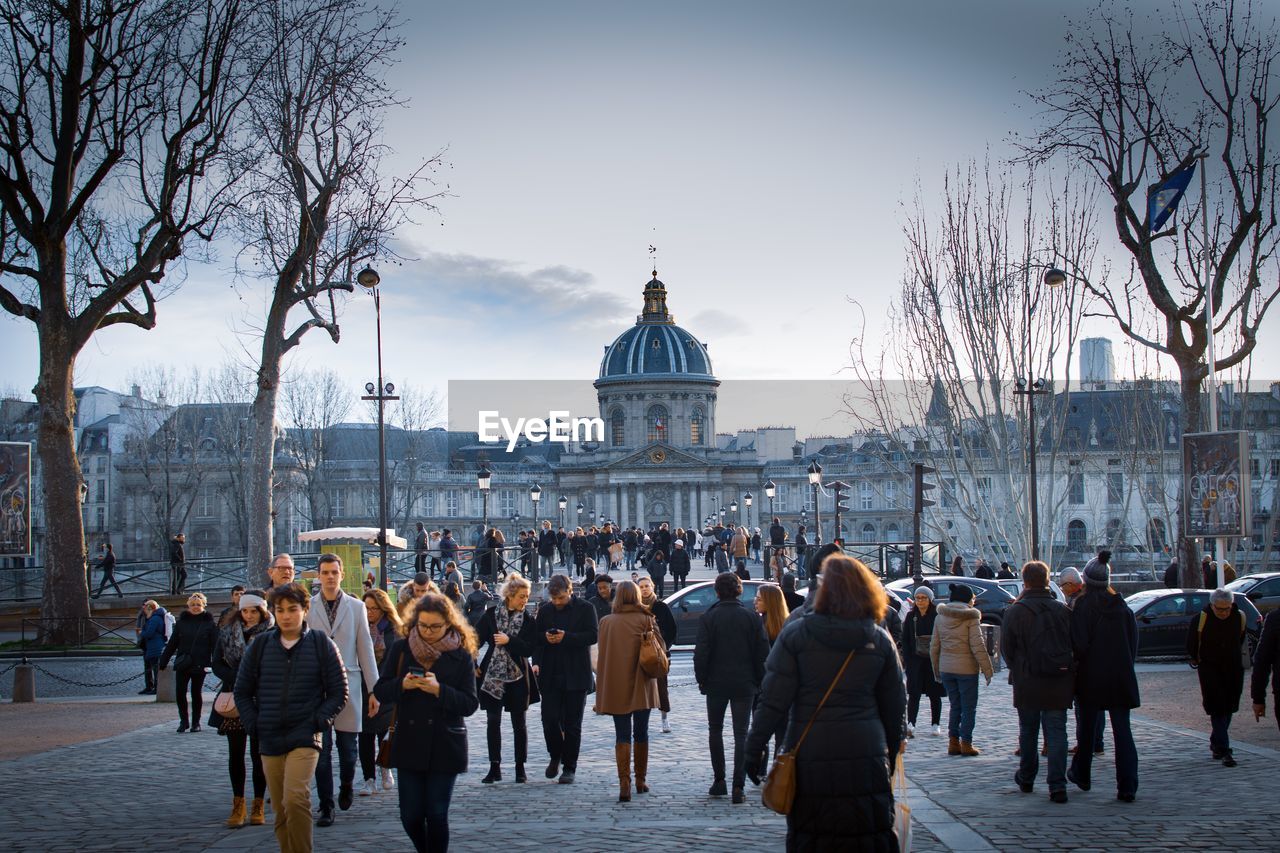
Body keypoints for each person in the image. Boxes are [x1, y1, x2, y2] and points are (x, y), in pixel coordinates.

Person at [744, 555, 906, 850]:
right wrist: (888, 755)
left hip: (810, 749)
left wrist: (754, 748)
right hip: (865, 750)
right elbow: (896, 711)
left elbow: (772, 701)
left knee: (813, 834)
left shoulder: (796, 634)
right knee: (868, 833)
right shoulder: (879, 639)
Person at [234, 583, 348, 853]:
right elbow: (242, 690)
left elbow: (339, 691)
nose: (286, 616)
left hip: (305, 733)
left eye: (293, 609)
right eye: (280, 610)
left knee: (296, 798)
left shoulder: (322, 644)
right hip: (270, 734)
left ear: (305, 610)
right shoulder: (261, 645)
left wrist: (321, 719)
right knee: (281, 805)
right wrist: (253, 723)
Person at [374, 594, 480, 853]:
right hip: (408, 742)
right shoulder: (401, 649)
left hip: (445, 743)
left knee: (436, 814)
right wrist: (403, 684)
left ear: (449, 624)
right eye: (423, 626)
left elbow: (469, 703)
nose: (428, 632)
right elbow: (381, 689)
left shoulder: (461, 654)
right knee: (409, 815)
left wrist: (439, 690)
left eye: (435, 627)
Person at [307, 553, 380, 827]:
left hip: (349, 683)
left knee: (348, 750)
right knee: (321, 752)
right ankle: (326, 805)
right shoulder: (309, 606)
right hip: (317, 688)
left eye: (333, 572)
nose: (329, 577)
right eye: (324, 572)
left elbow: (366, 648)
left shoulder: (356, 606)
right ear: (318, 575)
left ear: (341, 575)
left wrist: (374, 690)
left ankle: (347, 783)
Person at [1067, 557, 1140, 802]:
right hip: (1120, 676)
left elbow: (1078, 644)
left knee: (1087, 731)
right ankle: (1127, 785)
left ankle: (1082, 774)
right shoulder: (1122, 608)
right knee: (1123, 732)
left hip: (1091, 676)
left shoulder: (1083, 606)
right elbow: (1133, 645)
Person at [692, 571, 767, 805]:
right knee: (741, 733)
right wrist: (758, 680)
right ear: (739, 590)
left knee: (715, 730)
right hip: (745, 682)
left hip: (716, 682)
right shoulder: (752, 618)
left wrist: (702, 679)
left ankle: (719, 780)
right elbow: (762, 654)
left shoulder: (708, 618)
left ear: (716, 591)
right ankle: (739, 785)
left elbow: (701, 654)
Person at [1002, 561, 1074, 803]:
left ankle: (1027, 776)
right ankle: (1057, 784)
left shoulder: (1015, 611)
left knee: (1028, 730)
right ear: (1046, 580)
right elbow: (1073, 644)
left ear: (1025, 582)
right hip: (1058, 679)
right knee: (1056, 732)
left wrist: (1019, 667)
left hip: (1027, 678)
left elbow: (1007, 650)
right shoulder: (1062, 610)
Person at [594, 579, 661, 802]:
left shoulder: (606, 622)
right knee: (641, 732)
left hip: (617, 683)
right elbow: (659, 648)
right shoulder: (646, 619)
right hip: (643, 682)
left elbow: (602, 656)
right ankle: (641, 780)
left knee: (621, 734)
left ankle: (624, 783)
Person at [210, 590, 274, 827]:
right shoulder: (227, 633)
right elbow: (216, 662)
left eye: (254, 611)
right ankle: (238, 803)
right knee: (235, 753)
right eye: (245, 611)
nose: (248, 616)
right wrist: (237, 676)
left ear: (262, 611)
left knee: (260, 755)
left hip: (262, 697)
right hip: (235, 696)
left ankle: (258, 803)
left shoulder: (271, 633)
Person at [532, 574, 598, 784]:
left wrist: (566, 637)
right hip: (551, 674)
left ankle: (569, 767)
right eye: (554, 599)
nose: (557, 602)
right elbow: (537, 639)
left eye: (561, 598)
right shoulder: (545, 611)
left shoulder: (586, 608)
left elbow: (592, 636)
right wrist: (545, 641)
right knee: (549, 720)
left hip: (576, 673)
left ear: (570, 591)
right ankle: (555, 755)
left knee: (572, 724)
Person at [475, 572, 540, 784]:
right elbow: (474, 640)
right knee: (493, 721)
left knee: (519, 723)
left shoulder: (528, 619)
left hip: (518, 675)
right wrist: (473, 663)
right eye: (522, 596)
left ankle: (520, 768)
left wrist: (509, 640)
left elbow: (530, 648)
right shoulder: (491, 614)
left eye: (527, 596)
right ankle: (495, 767)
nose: (525, 600)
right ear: (510, 595)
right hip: (492, 675)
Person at [930, 583, 994, 756]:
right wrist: (988, 670)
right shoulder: (971, 617)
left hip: (946, 668)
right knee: (968, 708)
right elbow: (978, 645)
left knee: (955, 706)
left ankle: (953, 742)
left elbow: (934, 646)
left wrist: (936, 669)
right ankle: (966, 743)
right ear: (968, 599)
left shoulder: (940, 617)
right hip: (966, 670)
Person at [1187, 587, 1247, 767]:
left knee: (1228, 707)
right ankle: (1224, 749)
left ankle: (1216, 741)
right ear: (1212, 606)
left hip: (1234, 669)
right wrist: (1198, 660)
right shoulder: (1201, 619)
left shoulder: (1239, 617)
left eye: (1227, 608)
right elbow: (1191, 643)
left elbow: (1241, 638)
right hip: (1210, 669)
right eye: (1220, 609)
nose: (1224, 612)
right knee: (1217, 708)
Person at [360, 588, 404, 795]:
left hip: (386, 686)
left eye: (374, 609)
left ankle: (385, 767)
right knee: (365, 734)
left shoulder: (393, 629)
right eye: (366, 608)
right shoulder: (359, 627)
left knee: (383, 731)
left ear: (383, 608)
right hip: (362, 686)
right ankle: (369, 778)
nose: (369, 613)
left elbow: (394, 660)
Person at [160, 592, 218, 733]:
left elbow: (215, 645)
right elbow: (172, 644)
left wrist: (215, 663)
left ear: (204, 605)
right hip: (183, 662)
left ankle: (196, 722)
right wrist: (163, 661)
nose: (195, 607)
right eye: (193, 605)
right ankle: (184, 721)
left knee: (196, 692)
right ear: (188, 606)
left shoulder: (210, 624)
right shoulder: (181, 623)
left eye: (198, 605)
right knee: (180, 692)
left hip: (201, 662)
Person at [750, 584, 790, 772]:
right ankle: (764, 768)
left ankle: (776, 770)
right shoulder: (759, 623)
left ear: (771, 602)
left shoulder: (786, 628)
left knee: (777, 731)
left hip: (775, 688)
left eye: (759, 598)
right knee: (764, 730)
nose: (755, 601)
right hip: (764, 686)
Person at [637, 575, 677, 733]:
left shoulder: (661, 606)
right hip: (640, 654)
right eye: (641, 587)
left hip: (660, 654)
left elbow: (672, 630)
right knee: (640, 688)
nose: (645, 589)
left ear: (652, 587)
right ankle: (641, 723)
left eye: (647, 586)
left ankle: (664, 718)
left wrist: (662, 647)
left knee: (662, 687)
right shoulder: (635, 607)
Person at [903, 586, 944, 738]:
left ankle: (935, 724)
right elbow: (905, 639)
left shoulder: (937, 616)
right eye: (918, 598)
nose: (920, 601)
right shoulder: (910, 616)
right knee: (914, 694)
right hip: (916, 661)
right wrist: (908, 660)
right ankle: (911, 723)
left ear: (930, 599)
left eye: (924, 598)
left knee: (935, 693)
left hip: (933, 660)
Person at [1252, 611, 1280, 732]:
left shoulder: (1275, 618)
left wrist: (1258, 699)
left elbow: (1262, 660)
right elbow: (1262, 660)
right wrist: (1258, 698)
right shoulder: (1275, 619)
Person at [138, 600, 167, 695]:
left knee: (155, 668)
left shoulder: (155, 618)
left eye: (145, 608)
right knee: (152, 667)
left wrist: (141, 632)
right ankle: (151, 687)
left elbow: (149, 633)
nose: (144, 610)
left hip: (155, 646)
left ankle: (156, 688)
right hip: (153, 645)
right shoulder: (156, 617)